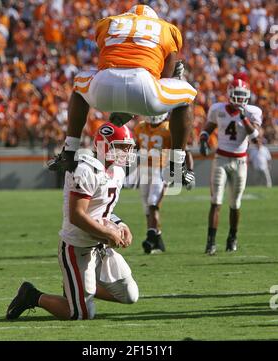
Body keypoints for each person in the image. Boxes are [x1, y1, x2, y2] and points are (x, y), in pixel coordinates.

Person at [48, 4, 197, 188]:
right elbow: (164, 78)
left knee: (79, 84)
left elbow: (106, 54)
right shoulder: (167, 29)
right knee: (187, 95)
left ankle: (69, 152)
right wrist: (175, 75)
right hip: (143, 86)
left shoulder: (108, 22)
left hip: (105, 85)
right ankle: (177, 164)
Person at [6, 123, 139, 320]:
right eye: (121, 146)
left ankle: (75, 289)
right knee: (79, 313)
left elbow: (103, 209)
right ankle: (32, 296)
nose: (126, 152)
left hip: (100, 246)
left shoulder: (117, 172)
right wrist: (108, 233)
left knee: (129, 295)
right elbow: (77, 215)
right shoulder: (86, 169)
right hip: (77, 247)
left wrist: (120, 224)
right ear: (104, 145)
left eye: (128, 147)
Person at [200, 76, 262, 255]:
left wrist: (244, 118)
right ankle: (211, 242)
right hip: (221, 158)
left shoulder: (252, 112)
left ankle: (232, 238)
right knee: (215, 201)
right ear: (229, 94)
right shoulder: (217, 109)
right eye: (236, 94)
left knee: (235, 203)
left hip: (240, 161)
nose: (239, 98)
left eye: (242, 95)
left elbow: (255, 137)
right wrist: (203, 138)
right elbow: (208, 127)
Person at [134, 112, 194, 254]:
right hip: (143, 170)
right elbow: (137, 146)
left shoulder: (168, 128)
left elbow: (185, 150)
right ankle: (157, 239)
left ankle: (150, 237)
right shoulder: (140, 127)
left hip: (161, 170)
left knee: (153, 203)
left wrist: (190, 171)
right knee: (147, 208)